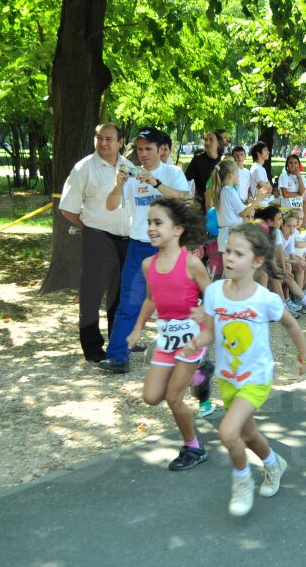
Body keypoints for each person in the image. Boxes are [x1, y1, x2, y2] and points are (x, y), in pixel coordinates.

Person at [188, 224, 306, 516]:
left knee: (228, 432)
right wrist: (195, 343)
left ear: (256, 261)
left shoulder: (264, 299)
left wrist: (302, 355)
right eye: (228, 250)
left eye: (238, 253)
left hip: (255, 378)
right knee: (248, 434)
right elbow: (211, 332)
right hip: (228, 378)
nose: (229, 258)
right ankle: (273, 463)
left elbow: (291, 324)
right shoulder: (215, 292)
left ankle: (242, 481)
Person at [123, 198, 213, 471]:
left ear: (178, 229)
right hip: (166, 339)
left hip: (191, 339)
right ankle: (200, 376)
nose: (151, 228)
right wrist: (137, 328)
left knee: (174, 398)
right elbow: (151, 299)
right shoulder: (149, 265)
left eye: (158, 222)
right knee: (151, 397)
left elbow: (214, 296)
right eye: (149, 222)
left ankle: (193, 446)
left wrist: (204, 313)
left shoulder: (191, 264)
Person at [95, 127, 192, 374]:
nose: (143, 154)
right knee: (128, 303)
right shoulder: (131, 174)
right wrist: (118, 185)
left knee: (178, 304)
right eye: (139, 149)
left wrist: (156, 183)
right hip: (138, 245)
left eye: (148, 149)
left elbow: (185, 198)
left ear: (161, 149)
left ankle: (188, 354)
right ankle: (118, 356)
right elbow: (110, 205)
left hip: (169, 249)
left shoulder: (171, 173)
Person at [58, 123, 132, 363]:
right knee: (92, 293)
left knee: (120, 293)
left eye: (109, 139)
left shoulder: (129, 167)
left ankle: (118, 341)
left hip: (125, 238)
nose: (103, 143)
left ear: (120, 142)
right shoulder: (83, 168)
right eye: (99, 138)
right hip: (97, 235)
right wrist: (86, 227)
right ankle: (92, 348)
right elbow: (68, 208)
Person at [183, 130, 222, 213]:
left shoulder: (223, 160)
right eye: (205, 139)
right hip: (201, 208)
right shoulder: (198, 160)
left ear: (218, 143)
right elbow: (184, 179)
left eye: (211, 139)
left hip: (221, 206)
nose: (207, 142)